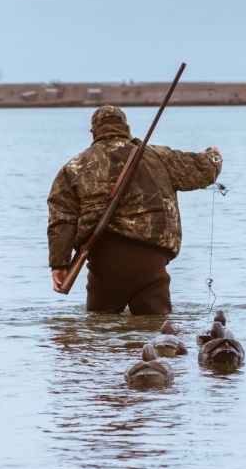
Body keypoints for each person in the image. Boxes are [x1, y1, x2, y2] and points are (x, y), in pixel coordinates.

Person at [47, 105, 222, 314]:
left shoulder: (73, 167)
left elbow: (61, 219)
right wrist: (213, 156)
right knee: (159, 333)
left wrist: (59, 264)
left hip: (104, 261)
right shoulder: (159, 156)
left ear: (94, 131)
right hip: (151, 260)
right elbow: (202, 170)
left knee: (99, 331)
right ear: (126, 128)